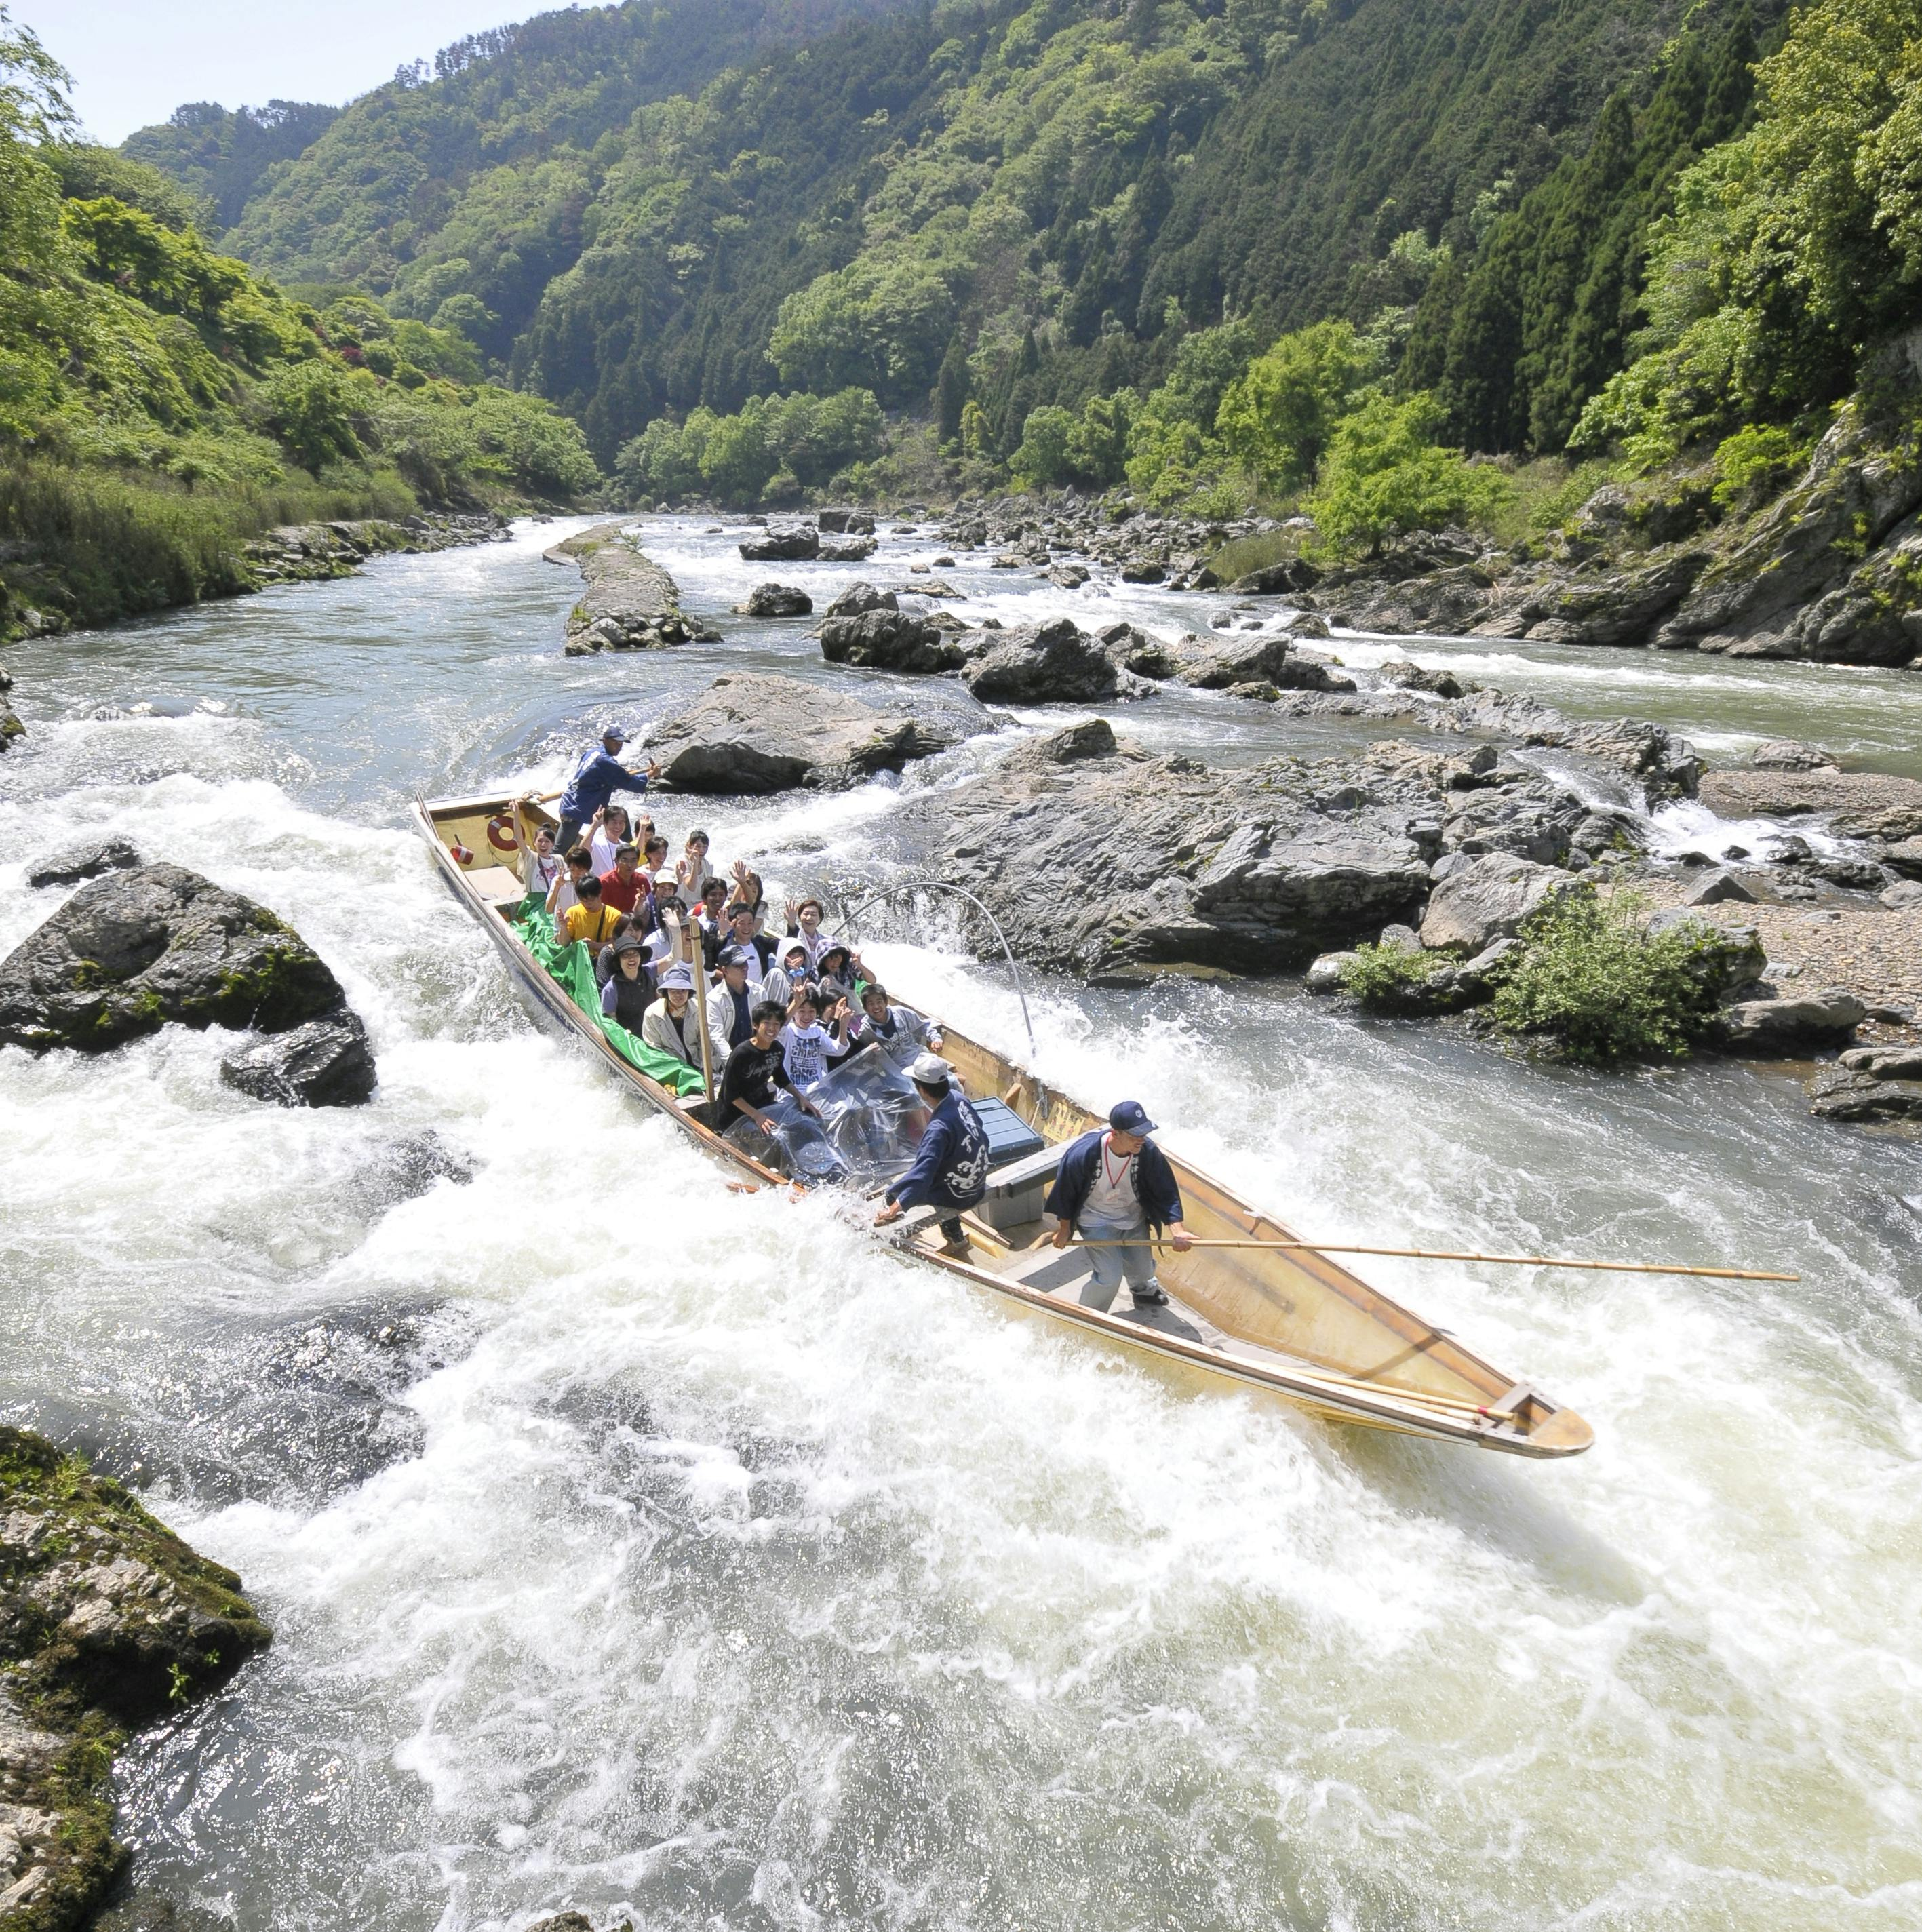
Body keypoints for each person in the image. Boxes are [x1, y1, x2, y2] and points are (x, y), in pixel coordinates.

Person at [1043, 1101, 1193, 1312]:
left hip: (1133, 1217)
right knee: (1109, 1278)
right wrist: (1065, 1230)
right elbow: (1066, 1193)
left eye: (1144, 1133)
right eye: (1134, 1135)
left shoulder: (1148, 1152)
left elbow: (1165, 1192)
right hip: (1095, 1220)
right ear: (1115, 1133)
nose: (1141, 1140)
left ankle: (1143, 1292)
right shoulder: (1083, 1155)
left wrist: (1178, 1232)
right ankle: (1088, 1315)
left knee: (1143, 1271)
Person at [873, 1053, 992, 1256]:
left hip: (960, 1195)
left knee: (894, 1192)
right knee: (934, 1177)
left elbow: (922, 1177)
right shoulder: (959, 1098)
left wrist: (894, 1208)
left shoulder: (938, 1129)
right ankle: (956, 1238)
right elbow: (982, 1135)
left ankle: (952, 1239)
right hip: (979, 1181)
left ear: (922, 1089)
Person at [557, 727, 660, 855]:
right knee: (560, 850)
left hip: (578, 801)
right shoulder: (605, 761)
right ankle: (547, 871)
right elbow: (628, 782)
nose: (619, 747)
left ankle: (627, 853)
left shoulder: (592, 753)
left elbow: (614, 779)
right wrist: (650, 774)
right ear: (605, 741)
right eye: (616, 743)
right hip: (577, 807)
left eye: (621, 744)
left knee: (621, 817)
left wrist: (619, 778)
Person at [718, 1000, 818, 1131]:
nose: (772, 1028)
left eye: (777, 1024)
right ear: (755, 1025)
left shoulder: (777, 1050)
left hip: (762, 1106)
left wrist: (801, 1098)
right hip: (735, 1115)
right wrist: (757, 1116)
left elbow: (782, 1079)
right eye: (767, 1023)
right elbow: (730, 1095)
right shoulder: (742, 1053)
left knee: (804, 1123)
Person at [849, 984, 941, 1071]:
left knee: (948, 1078)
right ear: (865, 1008)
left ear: (886, 1002)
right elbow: (866, 1058)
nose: (876, 1007)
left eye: (879, 1002)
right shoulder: (866, 1030)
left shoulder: (900, 1012)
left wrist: (935, 1039)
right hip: (896, 1068)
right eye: (871, 1004)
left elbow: (923, 1026)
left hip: (918, 1056)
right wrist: (873, 1053)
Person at [777, 987, 849, 1091]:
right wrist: (796, 1002)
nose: (807, 1016)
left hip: (817, 1092)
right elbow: (780, 1024)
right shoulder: (787, 1031)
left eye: (811, 1011)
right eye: (801, 1011)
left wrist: (843, 1025)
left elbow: (839, 1049)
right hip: (791, 1093)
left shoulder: (817, 1032)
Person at [641, 965, 707, 1071]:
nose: (678, 995)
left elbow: (704, 1042)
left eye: (683, 990)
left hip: (698, 1064)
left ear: (689, 992)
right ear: (666, 992)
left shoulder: (700, 1009)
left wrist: (705, 1067)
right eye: (673, 991)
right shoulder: (652, 1014)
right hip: (670, 1067)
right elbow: (654, 1048)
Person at [709, 947, 761, 1057]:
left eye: (745, 963)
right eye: (738, 965)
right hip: (727, 1061)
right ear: (725, 970)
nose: (745, 968)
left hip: (755, 1056)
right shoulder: (714, 998)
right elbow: (717, 1037)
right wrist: (732, 1062)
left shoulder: (759, 992)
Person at [600, 937, 653, 1031]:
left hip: (652, 1033)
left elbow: (673, 958)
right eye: (626, 955)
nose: (631, 958)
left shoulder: (648, 972)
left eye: (635, 954)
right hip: (629, 1040)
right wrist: (623, 1033)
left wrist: (675, 930)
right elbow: (610, 1023)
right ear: (619, 961)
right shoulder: (610, 989)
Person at [562, 874, 623, 949]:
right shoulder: (572, 912)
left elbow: (615, 944)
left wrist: (594, 945)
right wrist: (563, 926)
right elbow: (564, 943)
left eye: (591, 900)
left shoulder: (614, 915)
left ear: (600, 893)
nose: (587, 904)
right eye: (583, 901)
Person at [783, 896, 836, 969]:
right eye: (806, 914)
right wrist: (791, 922)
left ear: (820, 919)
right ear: (799, 916)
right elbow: (790, 940)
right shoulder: (795, 939)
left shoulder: (828, 941)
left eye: (814, 915)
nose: (809, 918)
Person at [546, 846, 593, 925]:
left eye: (580, 870)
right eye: (572, 870)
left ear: (587, 869)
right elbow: (549, 910)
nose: (576, 874)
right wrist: (557, 888)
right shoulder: (558, 880)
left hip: (583, 928)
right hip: (562, 928)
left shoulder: (592, 884)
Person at [518, 819, 561, 902]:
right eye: (540, 841)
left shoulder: (558, 860)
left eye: (547, 841)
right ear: (534, 842)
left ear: (553, 844)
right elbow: (519, 839)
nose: (543, 845)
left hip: (555, 901)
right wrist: (516, 815)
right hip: (536, 903)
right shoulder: (531, 858)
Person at [599, 842, 647, 915]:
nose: (629, 865)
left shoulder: (642, 881)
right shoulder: (604, 882)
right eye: (625, 860)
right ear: (616, 861)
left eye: (633, 860)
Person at [587, 804, 633, 878]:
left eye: (621, 823)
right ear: (605, 823)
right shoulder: (596, 841)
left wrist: (643, 828)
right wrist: (595, 824)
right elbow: (583, 850)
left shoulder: (625, 846)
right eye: (614, 822)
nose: (617, 826)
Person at [676, 829, 715, 908]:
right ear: (690, 846)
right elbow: (691, 887)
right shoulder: (682, 860)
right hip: (685, 906)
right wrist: (695, 862)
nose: (702, 850)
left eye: (705, 847)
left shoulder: (708, 865)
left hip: (702, 905)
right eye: (698, 846)